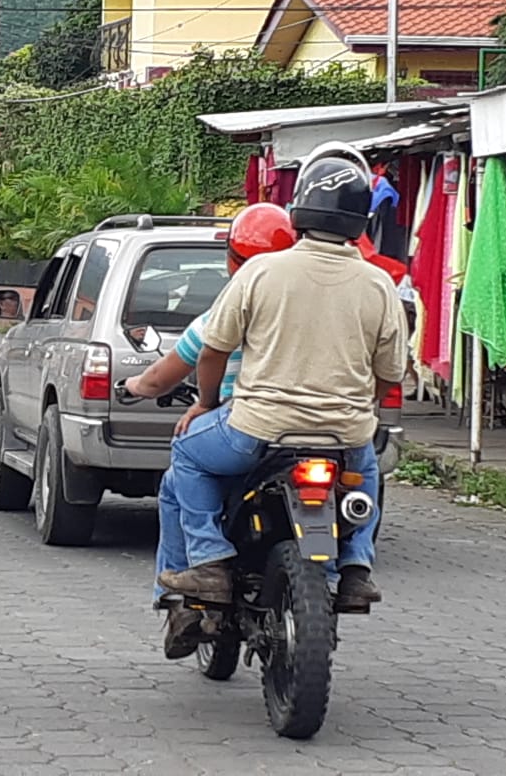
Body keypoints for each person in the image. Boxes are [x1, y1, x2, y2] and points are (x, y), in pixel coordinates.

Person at [156, 144, 407, 619]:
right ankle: (355, 566)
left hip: (257, 431)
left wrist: (204, 404)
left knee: (187, 454)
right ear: (361, 220)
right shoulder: (379, 285)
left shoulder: (260, 272)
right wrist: (357, 410)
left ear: (301, 210)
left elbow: (213, 350)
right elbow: (390, 373)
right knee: (367, 467)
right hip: (342, 436)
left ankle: (209, 561)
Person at [124, 205, 296, 654]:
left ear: (232, 259)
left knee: (182, 460)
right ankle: (350, 566)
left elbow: (161, 378)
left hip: (248, 428)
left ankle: (193, 583)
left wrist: (137, 387)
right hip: (317, 432)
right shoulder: (307, 315)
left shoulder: (226, 312)